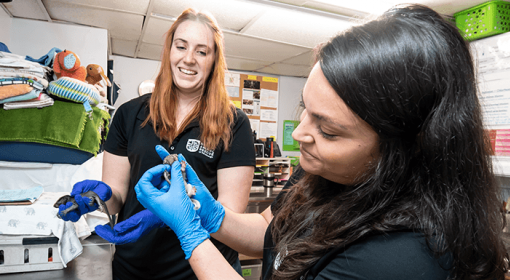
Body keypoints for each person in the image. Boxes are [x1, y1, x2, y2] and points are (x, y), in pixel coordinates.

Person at [134, 4, 509, 280]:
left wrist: (191, 235)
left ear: (406, 146)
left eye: (328, 130)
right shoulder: (325, 170)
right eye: (304, 109)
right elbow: (271, 233)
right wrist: (210, 214)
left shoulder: (397, 259)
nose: (298, 135)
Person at [56, 8, 255, 280]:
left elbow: (228, 215)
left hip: (201, 270)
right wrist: (100, 197)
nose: (188, 59)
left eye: (201, 51)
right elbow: (118, 197)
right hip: (135, 269)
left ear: (213, 60)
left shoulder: (235, 124)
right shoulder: (129, 115)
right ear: (169, 50)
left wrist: (168, 213)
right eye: (181, 46)